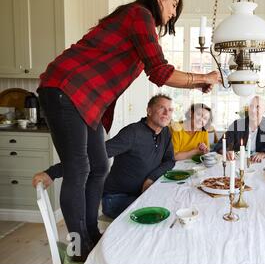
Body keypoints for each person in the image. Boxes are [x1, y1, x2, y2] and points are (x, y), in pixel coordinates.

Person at [34, 0, 220, 261]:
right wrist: (201, 78)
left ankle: (91, 234)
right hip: (65, 89)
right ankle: (77, 249)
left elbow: (156, 71)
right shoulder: (138, 14)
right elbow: (159, 72)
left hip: (90, 103)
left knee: (98, 168)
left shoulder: (140, 23)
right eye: (173, 5)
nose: (173, 13)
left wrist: (197, 83)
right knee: (79, 170)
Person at [32, 94, 175, 219]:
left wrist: (151, 178)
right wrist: (52, 173)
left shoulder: (165, 133)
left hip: (141, 194)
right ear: (149, 111)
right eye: (162, 108)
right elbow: (95, 155)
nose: (166, 113)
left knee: (173, 202)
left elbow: (169, 161)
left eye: (170, 110)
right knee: (164, 212)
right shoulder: (132, 133)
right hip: (116, 199)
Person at [213, 96, 265, 163]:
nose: (253, 110)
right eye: (251, 106)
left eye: (258, 107)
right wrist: (225, 151)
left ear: (264, 110)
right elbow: (219, 144)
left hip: (259, 162)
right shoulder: (237, 124)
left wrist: (263, 154)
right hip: (237, 162)